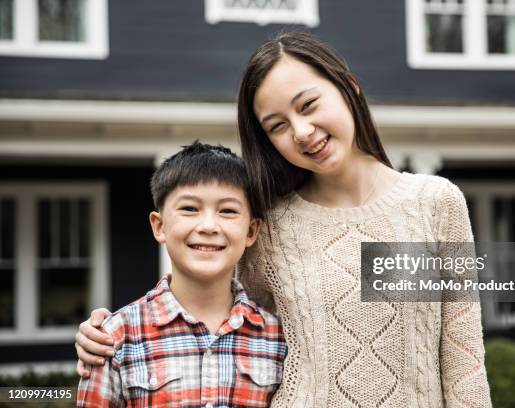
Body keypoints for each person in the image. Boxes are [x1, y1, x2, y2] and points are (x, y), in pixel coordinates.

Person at [75, 32, 492, 407]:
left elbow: (464, 358)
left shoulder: (435, 203)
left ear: (350, 87)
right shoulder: (271, 224)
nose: (303, 132)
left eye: (308, 105)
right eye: (278, 126)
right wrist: (106, 333)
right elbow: (220, 324)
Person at [76, 142, 287, 407]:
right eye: (189, 209)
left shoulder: (278, 340)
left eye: (228, 211)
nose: (209, 226)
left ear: (251, 232)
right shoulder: (115, 338)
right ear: (159, 226)